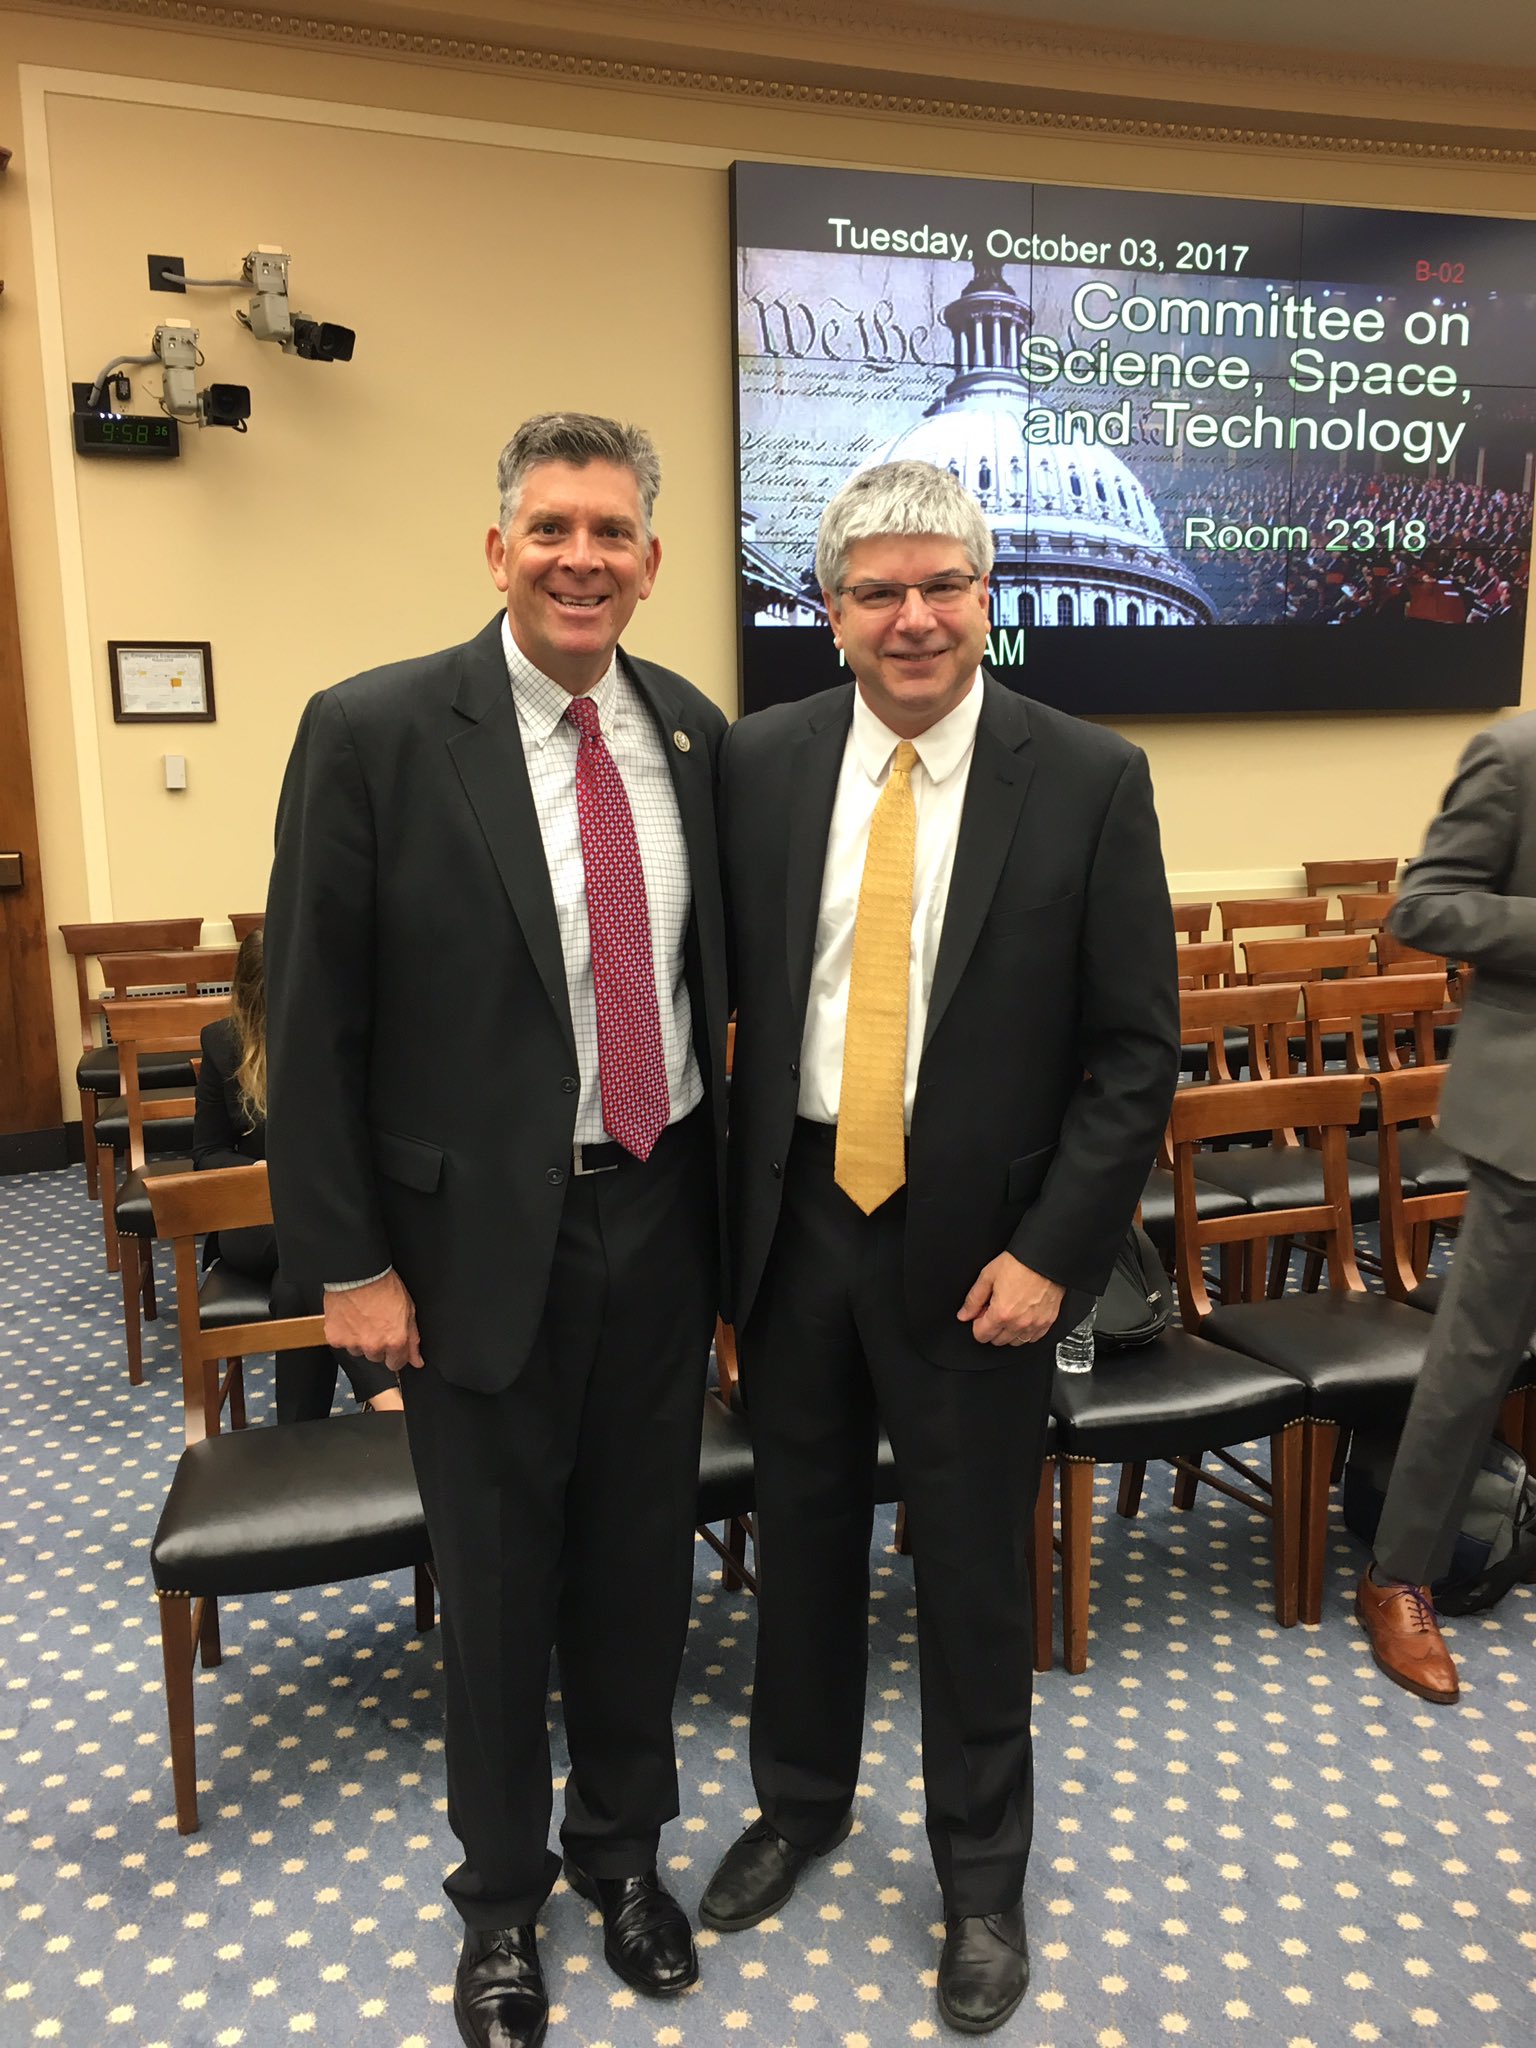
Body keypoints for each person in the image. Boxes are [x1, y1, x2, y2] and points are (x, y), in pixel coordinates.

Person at [263, 412, 729, 2048]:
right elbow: (309, 1023)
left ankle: (623, 1860)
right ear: (499, 549)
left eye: (611, 532)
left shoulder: (691, 733)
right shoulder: (377, 730)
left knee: (634, 1575)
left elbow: (697, 993)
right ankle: (504, 1906)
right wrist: (348, 1260)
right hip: (462, 1258)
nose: (582, 557)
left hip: (661, 1224)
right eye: (551, 529)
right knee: (499, 1587)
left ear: (651, 562)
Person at [703, 459, 1180, 2033]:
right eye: (878, 590)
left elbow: (1132, 1054)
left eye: (942, 585)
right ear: (827, 611)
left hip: (985, 1259)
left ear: (989, 597)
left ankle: (982, 1882)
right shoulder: (760, 765)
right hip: (797, 1234)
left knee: (976, 1576)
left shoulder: (1091, 775)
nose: (913, 618)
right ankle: (800, 1803)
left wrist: (1056, 1252)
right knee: (806, 1547)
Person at [1356, 707, 1536, 1705]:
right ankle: (1399, 1573)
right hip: (1530, 1122)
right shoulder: (1516, 755)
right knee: (1476, 1361)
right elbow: (1423, 907)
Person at [192, 929, 402, 1419]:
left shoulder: (328, 1042)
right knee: (314, 1251)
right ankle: (386, 1397)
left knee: (298, 1281)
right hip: (256, 1222)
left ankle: (298, 1427)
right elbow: (205, 1155)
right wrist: (261, 1170)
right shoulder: (222, 1044)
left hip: (317, 1217)